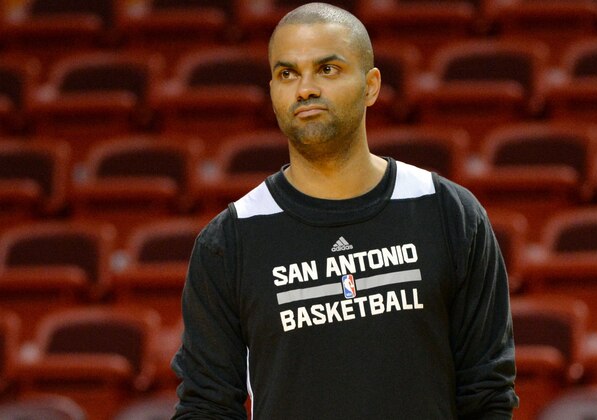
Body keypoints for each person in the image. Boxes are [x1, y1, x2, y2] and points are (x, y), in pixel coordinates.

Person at [171, 2, 519, 419]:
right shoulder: (230, 241)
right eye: (287, 74)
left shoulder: (448, 213)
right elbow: (206, 407)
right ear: (272, 91)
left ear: (371, 85)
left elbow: (488, 395)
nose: (305, 89)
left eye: (327, 69)